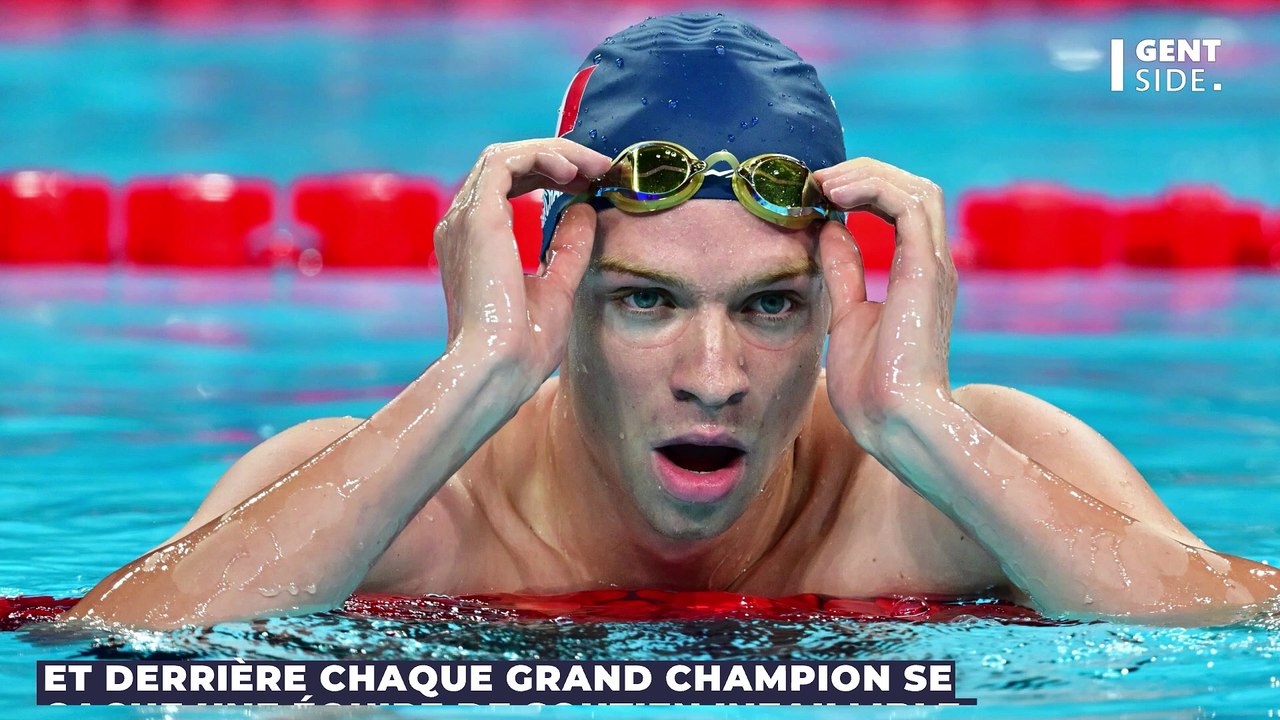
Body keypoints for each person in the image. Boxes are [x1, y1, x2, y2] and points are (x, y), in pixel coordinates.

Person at [64, 11, 1277, 630]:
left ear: (833, 305)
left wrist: (911, 420)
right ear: (556, 301)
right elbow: (111, 655)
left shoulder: (958, 483)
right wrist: (474, 376)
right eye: (644, 301)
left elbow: (1236, 629)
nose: (713, 374)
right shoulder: (398, 509)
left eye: (767, 306)